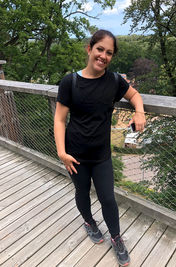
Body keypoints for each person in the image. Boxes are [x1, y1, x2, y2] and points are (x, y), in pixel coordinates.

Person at [54, 29, 146, 266]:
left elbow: (134, 95)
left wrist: (139, 111)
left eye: (109, 52)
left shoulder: (114, 81)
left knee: (108, 198)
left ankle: (116, 237)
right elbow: (60, 120)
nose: (103, 56)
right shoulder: (70, 82)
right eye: (100, 49)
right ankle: (89, 222)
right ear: (89, 49)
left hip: (102, 155)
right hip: (74, 155)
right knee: (81, 192)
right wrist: (62, 153)